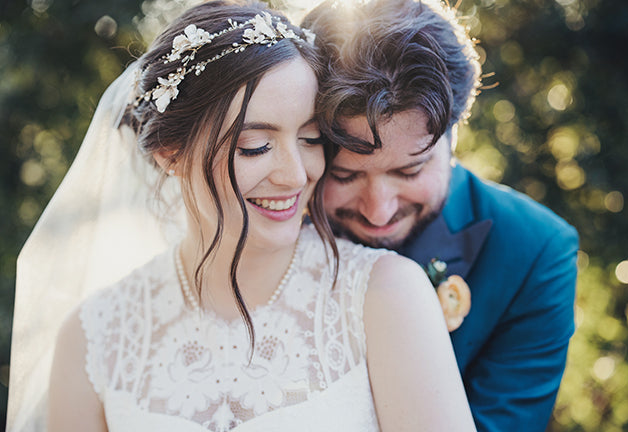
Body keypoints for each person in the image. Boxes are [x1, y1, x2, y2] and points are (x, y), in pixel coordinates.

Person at [7, 1, 477, 431]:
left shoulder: (386, 294)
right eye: (256, 146)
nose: (295, 175)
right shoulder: (93, 338)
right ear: (171, 152)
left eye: (312, 140)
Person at [302, 0, 580, 430]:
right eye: (345, 175)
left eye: (409, 170)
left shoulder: (536, 251)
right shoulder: (274, 227)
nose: (379, 211)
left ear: (455, 135)